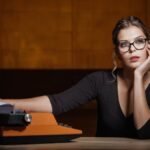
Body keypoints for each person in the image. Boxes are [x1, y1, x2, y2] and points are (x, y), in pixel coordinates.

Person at [1, 16, 150, 139]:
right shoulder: (100, 81)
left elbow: (143, 133)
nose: (132, 49)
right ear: (117, 52)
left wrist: (138, 76)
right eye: (124, 44)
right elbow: (57, 103)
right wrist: (4, 104)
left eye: (139, 41)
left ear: (148, 45)